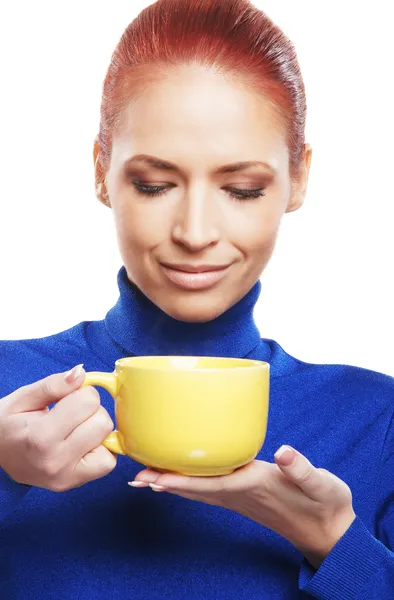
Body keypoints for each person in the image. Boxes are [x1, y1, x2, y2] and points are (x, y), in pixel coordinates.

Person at [0, 0, 393, 598]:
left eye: (241, 189)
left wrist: (336, 542)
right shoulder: (9, 394)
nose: (195, 231)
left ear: (298, 179)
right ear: (101, 170)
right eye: (155, 184)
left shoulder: (377, 423)